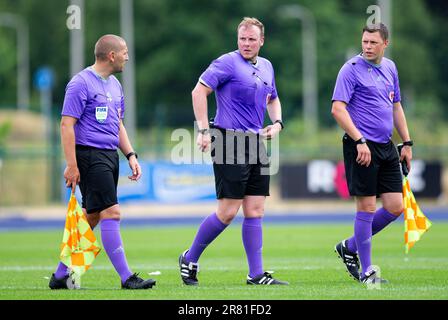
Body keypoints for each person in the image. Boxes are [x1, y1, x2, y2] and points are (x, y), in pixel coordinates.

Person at [178, 17, 288, 286]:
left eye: (252, 39)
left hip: (256, 142)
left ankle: (256, 274)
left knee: (255, 210)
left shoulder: (267, 66)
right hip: (228, 141)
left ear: (262, 41)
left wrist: (277, 123)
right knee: (228, 212)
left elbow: (272, 99)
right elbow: (198, 92)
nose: (246, 44)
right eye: (242, 39)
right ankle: (189, 258)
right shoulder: (227, 62)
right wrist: (203, 131)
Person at [48, 34, 156, 290]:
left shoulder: (115, 85)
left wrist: (130, 155)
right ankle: (127, 277)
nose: (127, 57)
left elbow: (117, 124)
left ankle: (61, 275)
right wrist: (72, 164)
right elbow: (66, 125)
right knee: (112, 213)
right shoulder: (80, 83)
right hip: (89, 156)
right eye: (125, 52)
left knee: (93, 216)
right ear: (111, 55)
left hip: (109, 156)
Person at [331, 23, 413, 283]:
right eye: (364, 42)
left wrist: (407, 142)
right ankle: (368, 272)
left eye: (373, 43)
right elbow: (337, 109)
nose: (367, 47)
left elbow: (396, 106)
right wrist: (359, 140)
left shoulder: (390, 67)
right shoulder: (350, 70)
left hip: (386, 146)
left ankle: (349, 247)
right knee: (366, 207)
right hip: (360, 146)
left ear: (385, 44)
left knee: (395, 207)